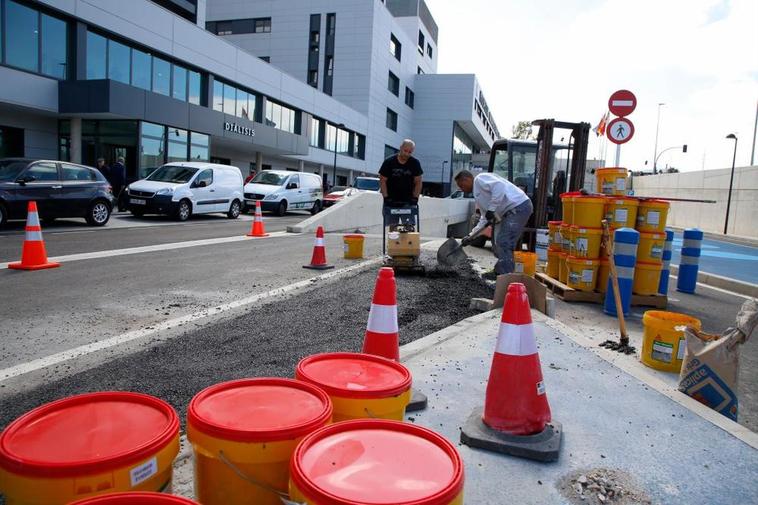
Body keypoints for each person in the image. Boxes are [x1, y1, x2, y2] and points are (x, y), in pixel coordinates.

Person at [456, 169, 533, 279]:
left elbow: (499, 186)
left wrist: (492, 209)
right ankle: (499, 271)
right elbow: (484, 219)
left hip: (519, 206)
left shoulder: (480, 179)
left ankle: (506, 277)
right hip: (509, 212)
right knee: (497, 243)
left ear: (467, 179)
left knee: (504, 241)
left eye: (461, 185)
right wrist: (470, 236)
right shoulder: (478, 195)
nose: (461, 189)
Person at [379, 139, 423, 206]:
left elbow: (418, 182)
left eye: (410, 152)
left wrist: (415, 198)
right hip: (391, 201)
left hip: (408, 202)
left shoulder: (415, 163)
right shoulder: (389, 162)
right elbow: (382, 181)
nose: (407, 154)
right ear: (400, 147)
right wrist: (386, 197)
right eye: (405, 151)